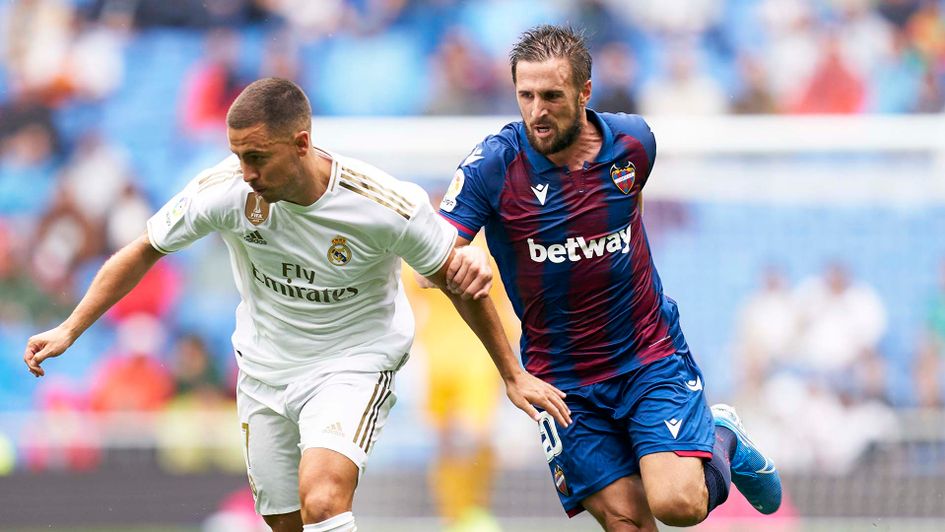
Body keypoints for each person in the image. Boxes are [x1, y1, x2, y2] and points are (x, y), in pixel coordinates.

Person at [23, 78, 569, 532]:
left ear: (302, 143)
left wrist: (510, 372)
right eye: (238, 156)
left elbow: (456, 278)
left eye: (258, 157)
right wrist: (71, 328)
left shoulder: (380, 204)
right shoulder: (226, 191)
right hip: (264, 371)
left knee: (325, 500)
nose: (247, 173)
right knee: (287, 522)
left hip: (353, 362)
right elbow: (144, 249)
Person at [437, 25, 783, 530]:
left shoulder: (634, 142)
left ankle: (722, 434)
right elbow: (435, 258)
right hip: (562, 381)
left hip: (647, 355)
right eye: (525, 95)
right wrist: (459, 271)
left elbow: (628, 214)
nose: (536, 111)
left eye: (551, 96)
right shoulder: (493, 166)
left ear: (584, 92)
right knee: (627, 522)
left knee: (678, 505)